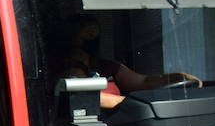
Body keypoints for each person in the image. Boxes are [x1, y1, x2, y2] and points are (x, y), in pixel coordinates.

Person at [58, 15, 202, 110]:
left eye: (93, 35)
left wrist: (180, 77)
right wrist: (135, 104)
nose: (88, 39)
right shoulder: (64, 68)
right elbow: (84, 97)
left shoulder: (106, 66)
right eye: (83, 34)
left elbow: (144, 81)